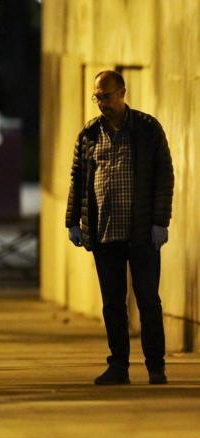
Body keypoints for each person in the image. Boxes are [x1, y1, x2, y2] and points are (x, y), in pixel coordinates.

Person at [66, 70, 174, 385]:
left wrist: (159, 221)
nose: (102, 103)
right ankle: (119, 366)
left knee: (148, 300)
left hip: (141, 232)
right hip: (105, 232)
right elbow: (78, 180)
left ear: (122, 92)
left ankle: (156, 366)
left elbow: (164, 177)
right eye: (97, 97)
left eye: (107, 96)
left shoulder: (147, 129)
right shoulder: (90, 134)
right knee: (113, 303)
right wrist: (73, 221)